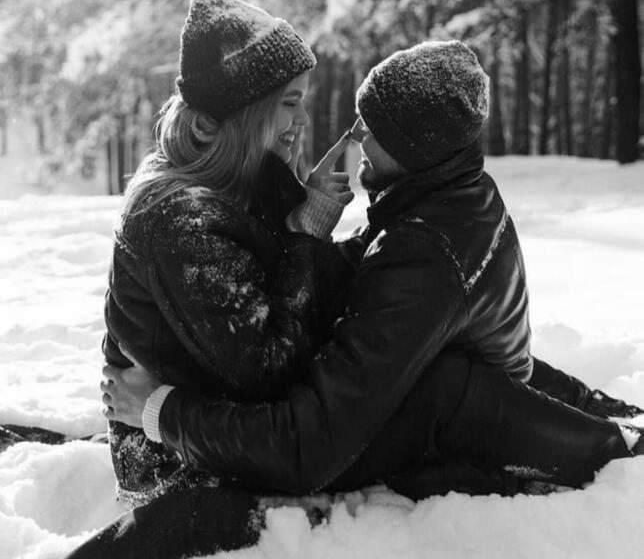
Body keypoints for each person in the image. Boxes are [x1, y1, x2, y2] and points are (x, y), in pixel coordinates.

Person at [69, 40, 644, 559]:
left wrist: (161, 411)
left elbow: (306, 439)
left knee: (443, 387)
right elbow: (353, 291)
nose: (355, 136)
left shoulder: (423, 253)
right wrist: (305, 218)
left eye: (375, 125)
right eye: (291, 103)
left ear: (414, 144)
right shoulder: (445, 201)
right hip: (361, 419)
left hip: (391, 443)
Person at [99, 0, 360, 514]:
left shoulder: (249, 180)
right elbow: (269, 366)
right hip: (178, 467)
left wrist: (309, 210)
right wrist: (307, 229)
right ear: (244, 112)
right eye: (289, 104)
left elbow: (299, 294)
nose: (302, 121)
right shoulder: (180, 217)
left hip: (221, 430)